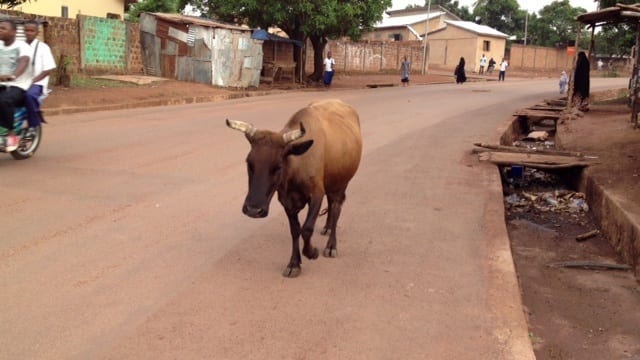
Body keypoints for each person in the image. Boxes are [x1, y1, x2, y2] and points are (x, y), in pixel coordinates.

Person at [0, 19, 32, 152]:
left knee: (4, 100)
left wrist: (13, 76)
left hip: (18, 85)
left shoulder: (23, 46)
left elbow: (23, 62)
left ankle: (11, 132)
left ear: (13, 32)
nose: (0, 30)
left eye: (3, 28)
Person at [23, 20, 56, 137]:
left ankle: (33, 125)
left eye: (32, 30)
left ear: (37, 32)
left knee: (29, 95)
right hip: (20, 81)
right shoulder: (20, 46)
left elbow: (48, 69)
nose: (29, 33)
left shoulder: (43, 48)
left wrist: (33, 81)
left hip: (38, 83)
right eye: (26, 30)